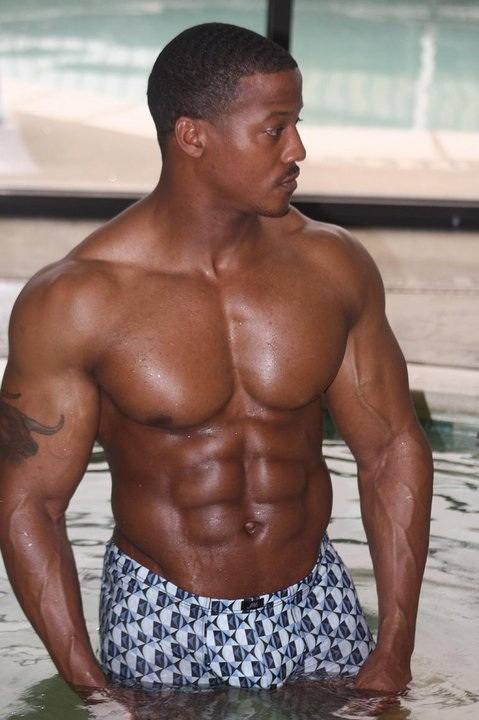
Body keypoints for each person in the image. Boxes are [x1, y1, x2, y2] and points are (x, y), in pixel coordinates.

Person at [0, 22, 433, 703]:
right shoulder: (79, 300)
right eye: (274, 129)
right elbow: (30, 502)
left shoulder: (332, 267)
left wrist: (394, 646)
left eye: (297, 124)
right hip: (162, 612)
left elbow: (391, 449)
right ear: (193, 136)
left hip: (315, 599)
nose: (298, 149)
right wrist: (91, 690)